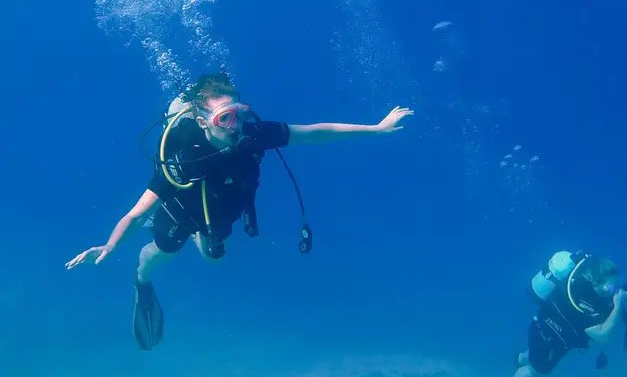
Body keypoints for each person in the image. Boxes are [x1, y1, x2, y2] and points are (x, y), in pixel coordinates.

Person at [64, 72, 414, 351]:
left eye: (239, 113)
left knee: (215, 259)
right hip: (181, 212)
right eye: (225, 118)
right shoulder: (185, 157)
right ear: (203, 122)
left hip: (219, 215)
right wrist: (110, 246)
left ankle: (205, 238)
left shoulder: (252, 135)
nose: (236, 125)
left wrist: (375, 128)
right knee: (158, 257)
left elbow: (314, 132)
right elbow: (136, 213)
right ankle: (141, 283)